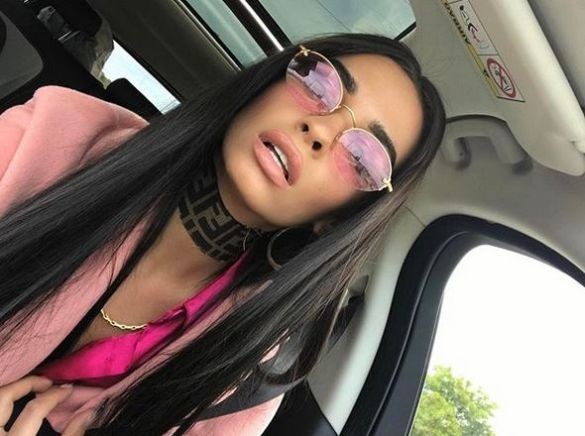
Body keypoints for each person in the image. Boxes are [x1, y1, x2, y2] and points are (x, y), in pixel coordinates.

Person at [0, 33, 445, 435]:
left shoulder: (250, 374)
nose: (321, 131)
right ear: (268, 84)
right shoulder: (54, 135)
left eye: (363, 158)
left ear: (337, 218)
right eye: (319, 85)